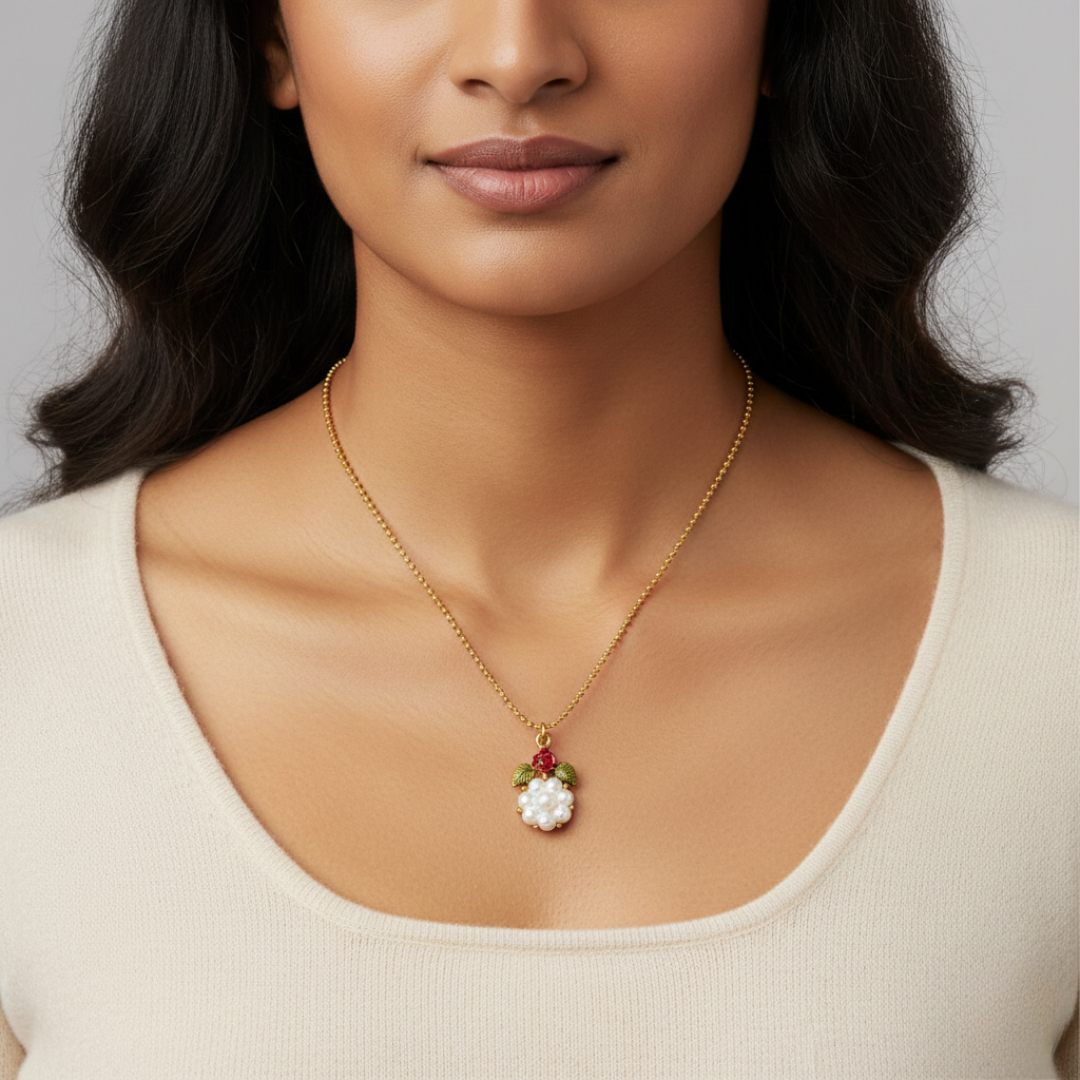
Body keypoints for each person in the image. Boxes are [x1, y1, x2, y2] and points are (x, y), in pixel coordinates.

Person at [0, 0, 1075, 1072]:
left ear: (785, 34)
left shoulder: (1050, 653)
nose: (518, 58)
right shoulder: (28, 659)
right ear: (269, 39)